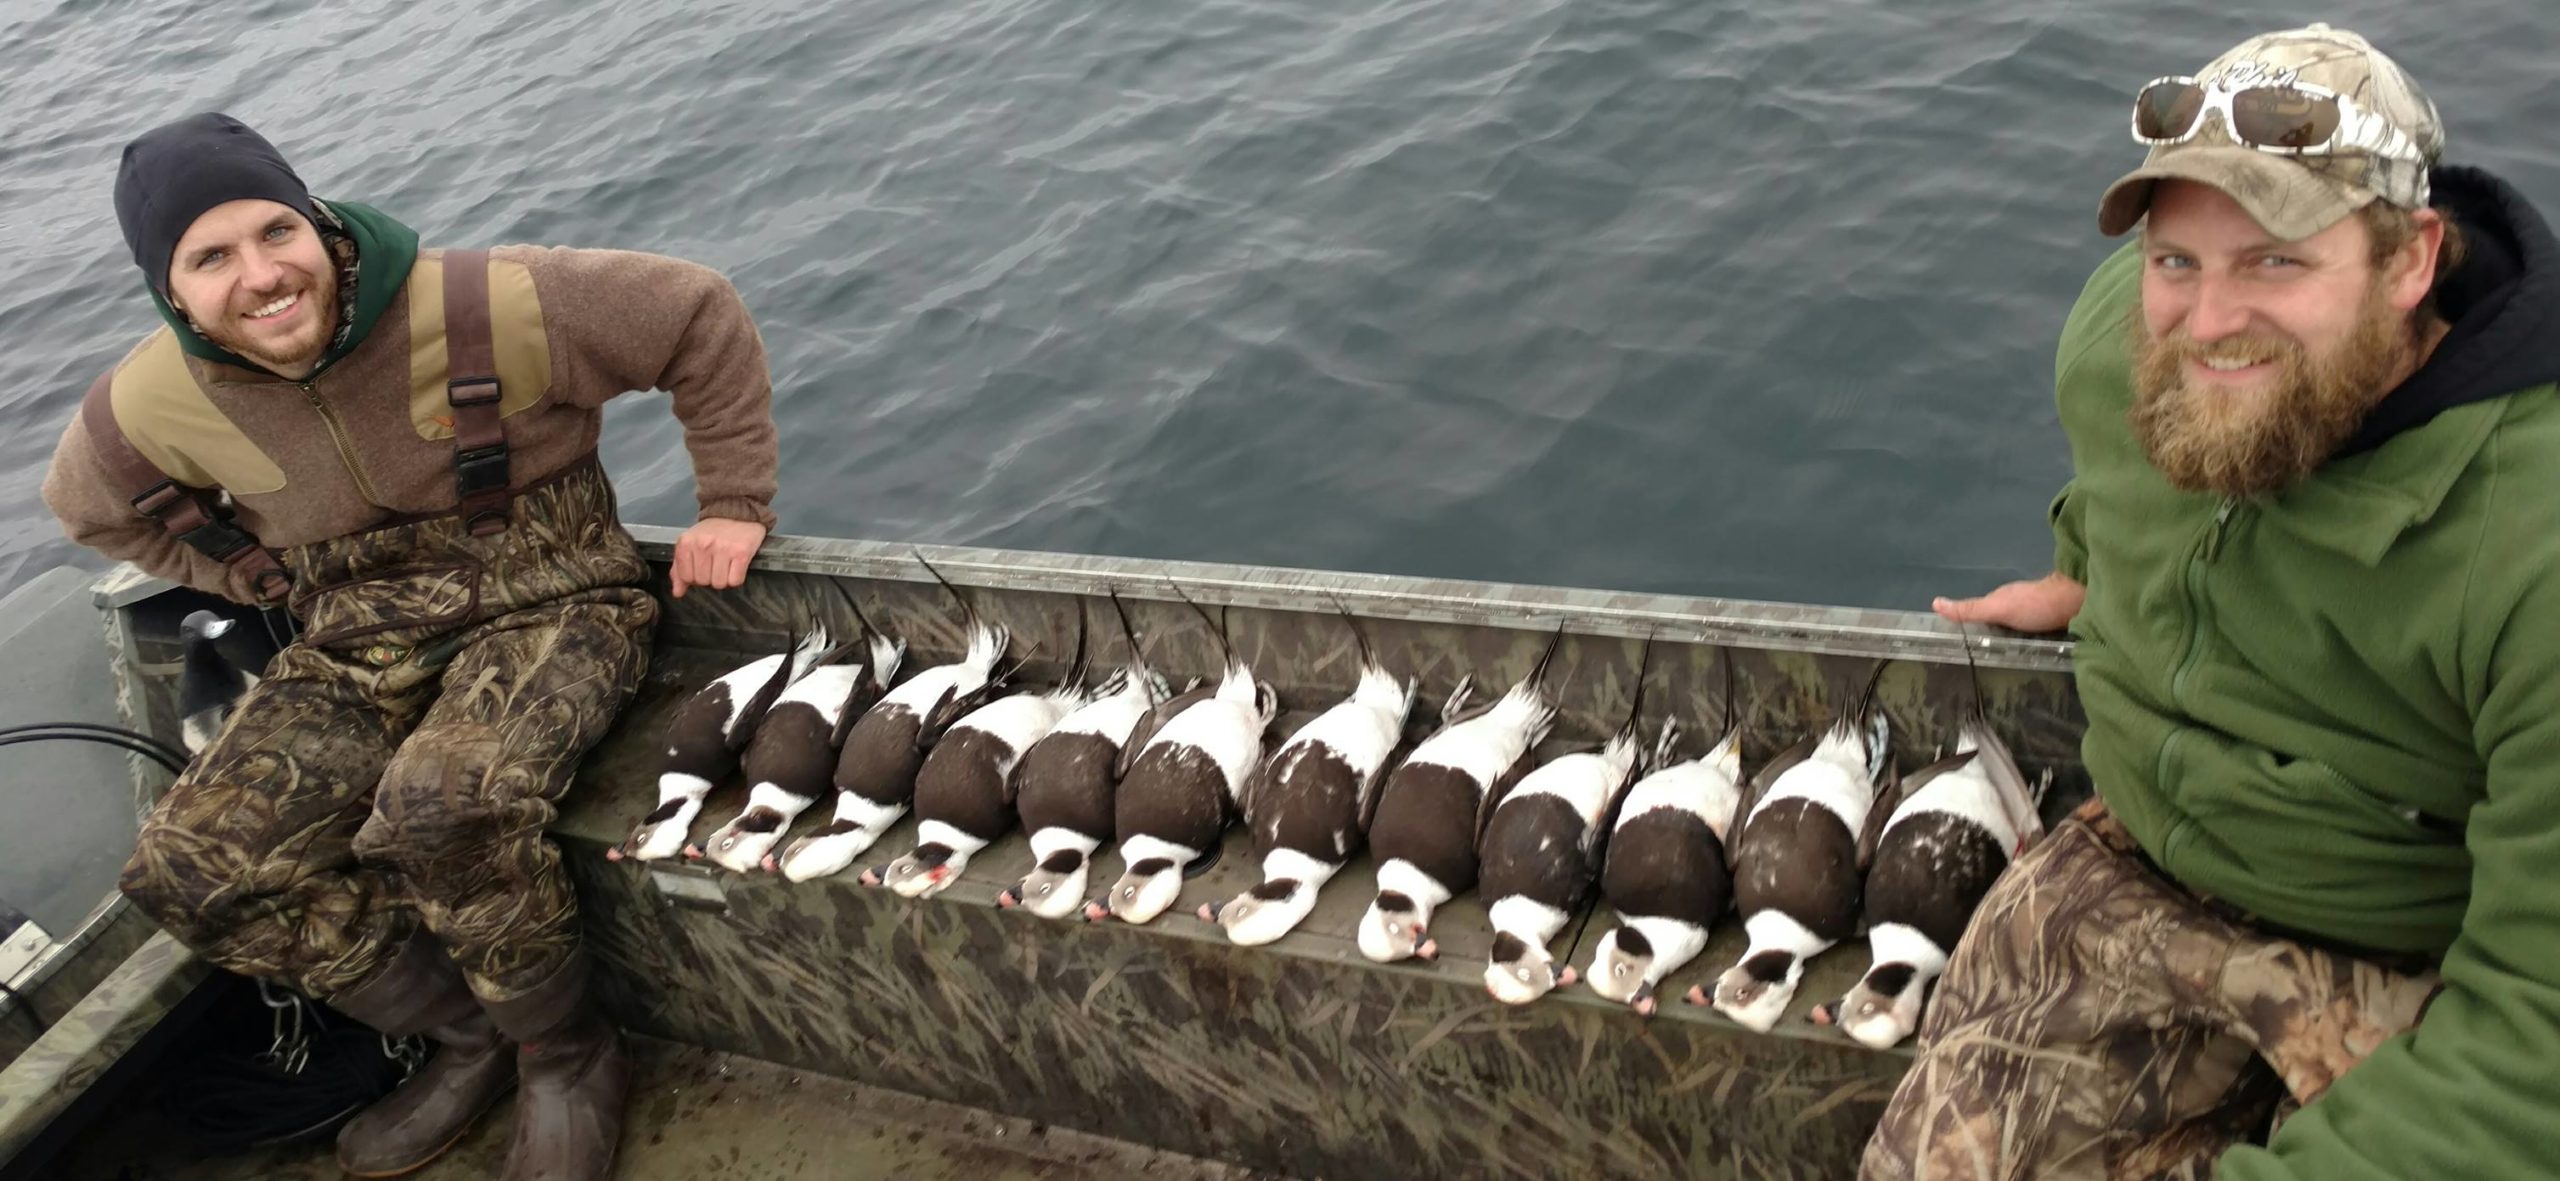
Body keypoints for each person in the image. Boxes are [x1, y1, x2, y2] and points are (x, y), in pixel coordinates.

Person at [1874, 23, 2560, 1180]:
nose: (2204, 321)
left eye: (2275, 261)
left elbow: (2536, 1033)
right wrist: (2083, 565)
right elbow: (2115, 457)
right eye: (2175, 260)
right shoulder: (2121, 333)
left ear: (2410, 260)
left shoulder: (2530, 541)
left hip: (2407, 949)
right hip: (2127, 866)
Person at [40, 113, 781, 1181]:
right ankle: (467, 1035)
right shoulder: (145, 404)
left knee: (441, 805)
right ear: (172, 290)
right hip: (351, 641)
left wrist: (734, 501)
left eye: (273, 231)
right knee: (192, 871)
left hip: (556, 601)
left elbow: (697, 315)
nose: (260, 275)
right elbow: (93, 508)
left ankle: (564, 1050)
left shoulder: (494, 298)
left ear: (315, 220)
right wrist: (252, 576)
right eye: (210, 258)